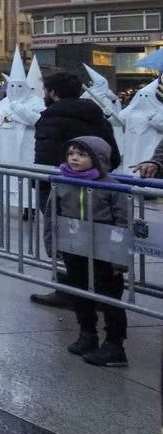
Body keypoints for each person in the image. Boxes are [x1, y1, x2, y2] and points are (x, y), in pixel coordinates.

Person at [30, 71, 122, 309]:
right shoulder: (96, 114)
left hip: (61, 189)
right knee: (98, 240)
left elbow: (45, 159)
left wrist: (41, 183)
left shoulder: (51, 117)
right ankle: (101, 292)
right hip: (97, 187)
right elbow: (113, 154)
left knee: (67, 240)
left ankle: (70, 290)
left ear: (52, 92)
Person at [53, 136, 129, 368]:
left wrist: (119, 257)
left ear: (98, 159)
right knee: (79, 290)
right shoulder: (63, 181)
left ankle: (115, 344)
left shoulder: (111, 187)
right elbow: (53, 214)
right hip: (75, 247)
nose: (74, 158)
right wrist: (55, 244)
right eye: (71, 153)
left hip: (104, 251)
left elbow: (123, 222)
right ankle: (87, 333)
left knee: (109, 296)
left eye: (81, 154)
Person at [118, 79, 163, 171]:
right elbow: (119, 119)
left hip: (151, 145)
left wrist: (154, 117)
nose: (143, 98)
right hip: (132, 144)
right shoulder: (130, 111)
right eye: (141, 95)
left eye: (147, 96)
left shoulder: (159, 111)